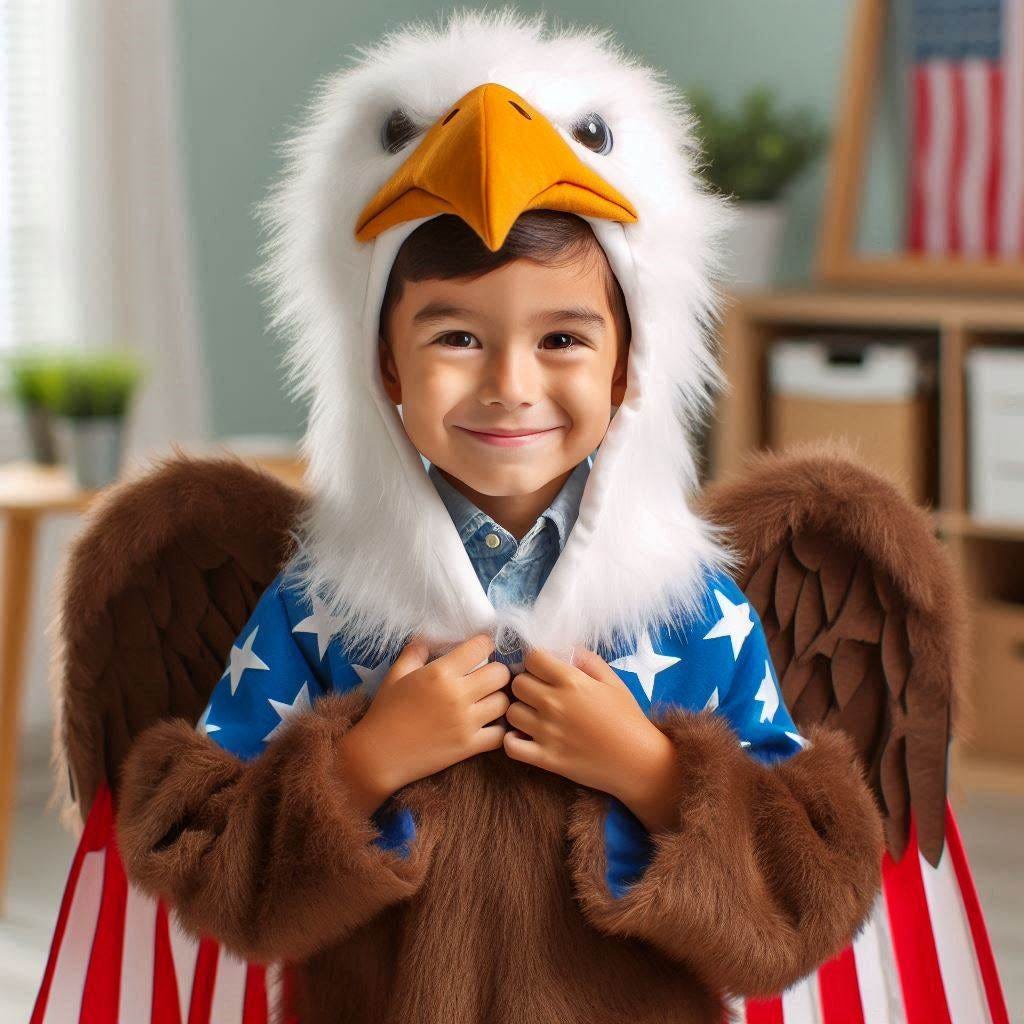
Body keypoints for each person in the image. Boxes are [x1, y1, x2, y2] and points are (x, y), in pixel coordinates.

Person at [113, 12, 884, 1024]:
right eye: (457, 338)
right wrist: (361, 764)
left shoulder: (691, 611)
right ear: (385, 364)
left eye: (562, 336)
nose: (510, 385)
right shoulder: (320, 603)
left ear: (629, 364)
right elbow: (199, 855)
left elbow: (808, 896)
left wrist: (654, 774)